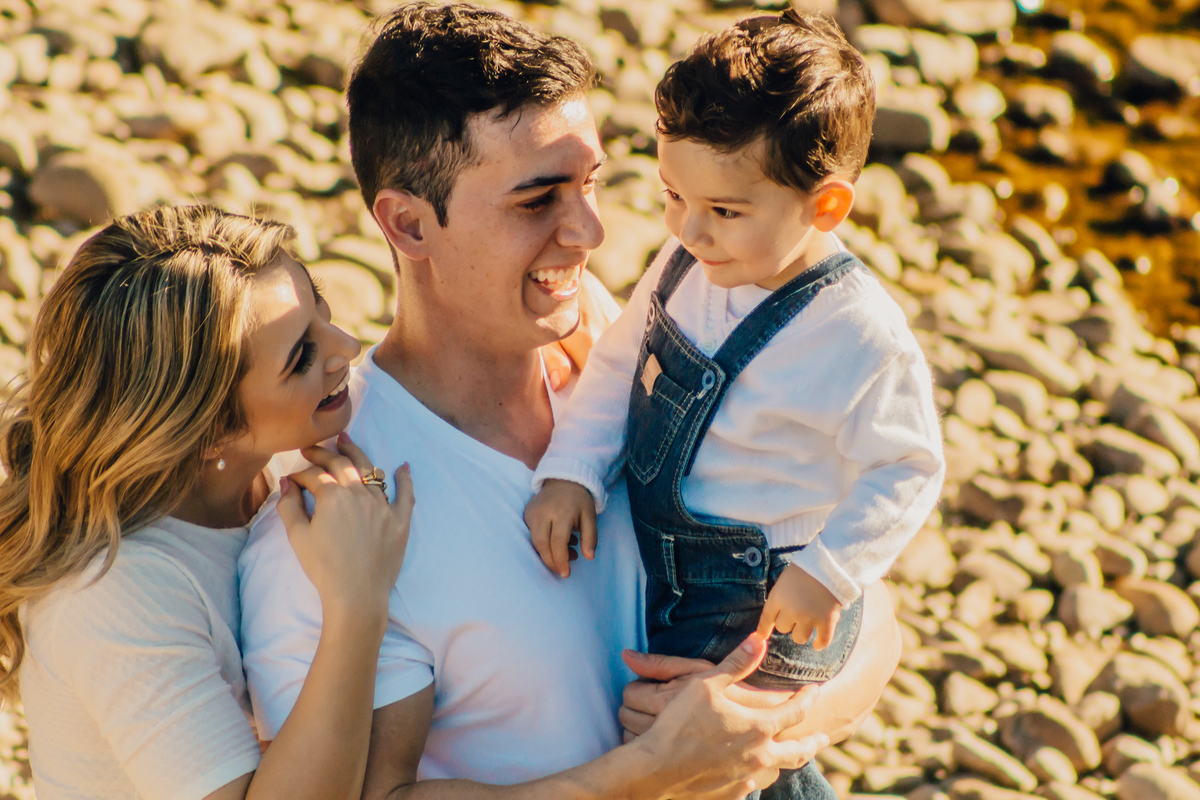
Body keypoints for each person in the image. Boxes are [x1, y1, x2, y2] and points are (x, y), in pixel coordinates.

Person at [237, 4, 903, 798]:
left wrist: (777, 729)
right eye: (537, 201)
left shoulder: (644, 350)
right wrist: (655, 775)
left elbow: (873, 614)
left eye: (592, 184)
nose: (589, 230)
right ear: (409, 224)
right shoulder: (341, 517)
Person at [524, 11, 946, 798]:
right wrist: (574, 470)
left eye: (724, 211)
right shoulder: (687, 262)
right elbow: (621, 362)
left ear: (825, 207)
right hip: (670, 559)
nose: (690, 228)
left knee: (727, 760)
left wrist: (832, 571)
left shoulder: (856, 333)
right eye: (671, 195)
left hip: (763, 592)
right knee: (678, 738)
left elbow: (909, 466)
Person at [0, 205, 415, 800]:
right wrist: (359, 605)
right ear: (208, 429)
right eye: (300, 356)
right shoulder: (112, 592)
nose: (347, 346)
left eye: (319, 308)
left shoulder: (284, 458)